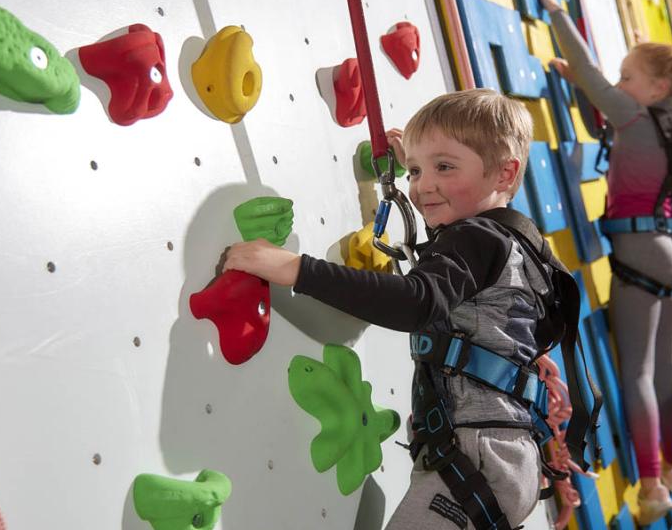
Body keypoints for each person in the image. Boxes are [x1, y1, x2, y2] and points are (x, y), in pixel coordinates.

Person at [224, 88, 587, 530]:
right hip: (498, 455)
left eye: (444, 167)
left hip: (475, 454)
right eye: (415, 169)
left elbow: (415, 302)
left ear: (505, 174)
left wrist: (296, 269)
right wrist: (426, 159)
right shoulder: (517, 244)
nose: (421, 186)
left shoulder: (477, 239)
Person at [536, 0, 672, 523]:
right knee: (667, 368)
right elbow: (605, 107)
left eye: (628, 77)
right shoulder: (671, 121)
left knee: (637, 375)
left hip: (643, 251)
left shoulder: (633, 113)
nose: (619, 83)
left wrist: (557, 11)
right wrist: (582, 87)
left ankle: (652, 483)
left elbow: (587, 69)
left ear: (656, 87)